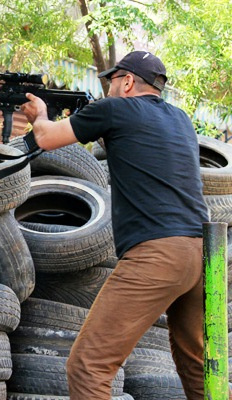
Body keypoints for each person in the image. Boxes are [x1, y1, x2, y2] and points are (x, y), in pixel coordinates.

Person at [21, 51, 212, 399]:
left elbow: (46, 138)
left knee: (87, 366)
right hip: (202, 254)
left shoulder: (115, 109)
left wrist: (40, 114)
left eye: (111, 81)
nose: (107, 87)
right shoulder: (181, 120)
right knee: (197, 369)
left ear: (126, 82)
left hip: (157, 253)